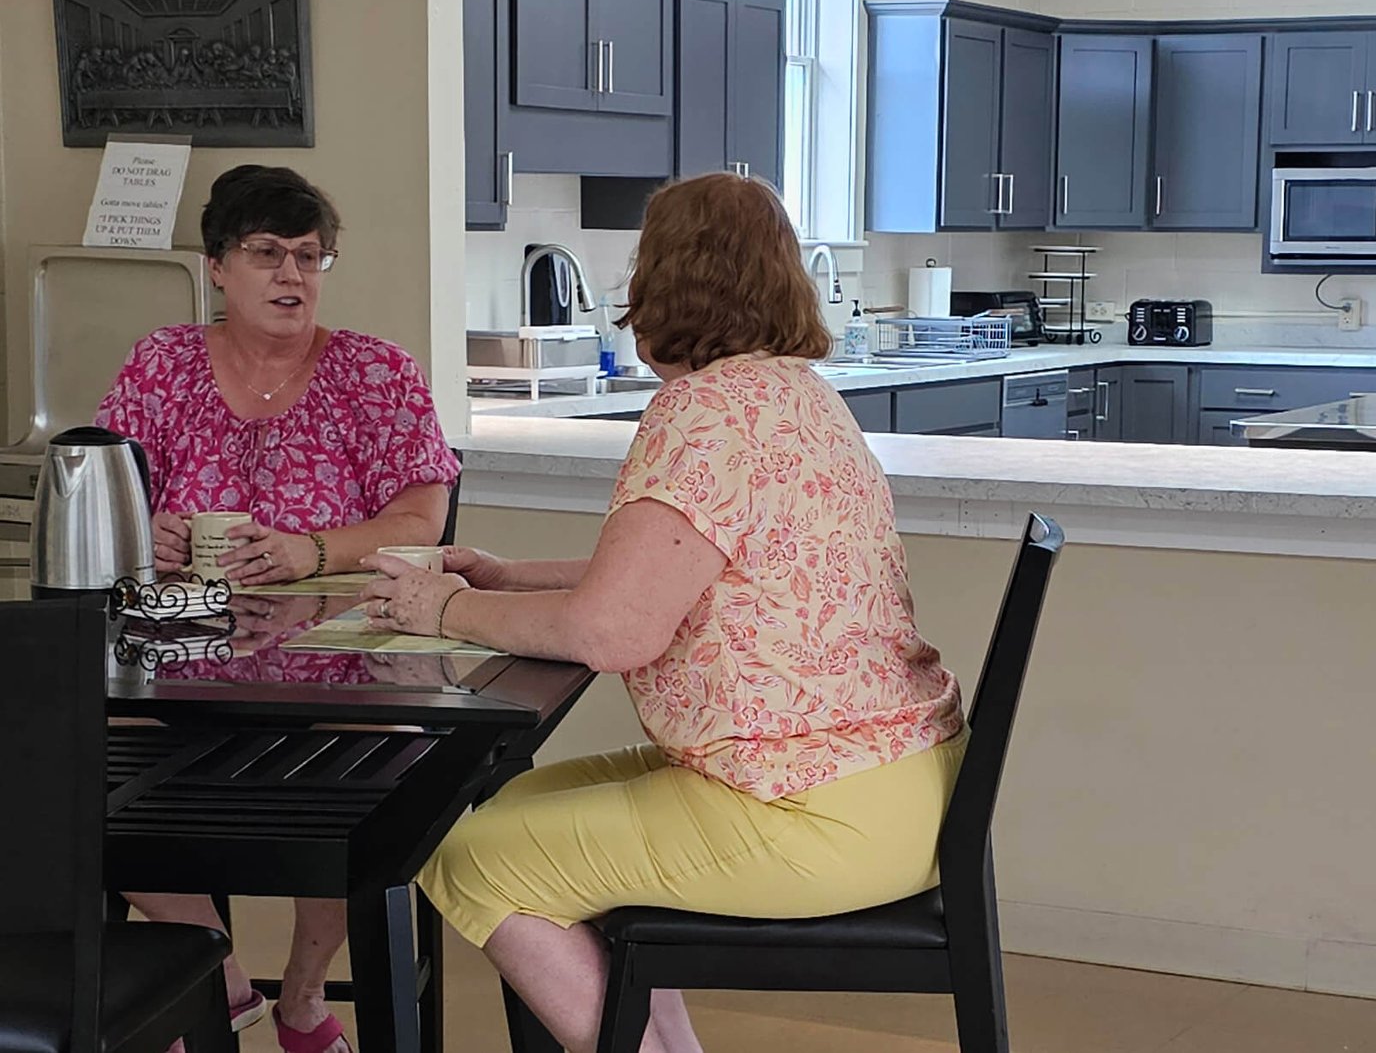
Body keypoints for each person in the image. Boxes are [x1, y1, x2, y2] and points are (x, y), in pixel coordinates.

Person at [361, 173, 966, 1053]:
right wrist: (507, 578)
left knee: (469, 856)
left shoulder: (703, 414)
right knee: (487, 805)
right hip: (892, 782)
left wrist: (447, 610)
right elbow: (687, 573)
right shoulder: (798, 398)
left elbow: (613, 632)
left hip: (803, 804)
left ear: (664, 282)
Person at [97, 164, 460, 1053]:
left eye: (310, 255)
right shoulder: (162, 362)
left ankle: (300, 999)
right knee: (56, 768)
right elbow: (112, 499)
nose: (293, 274)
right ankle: (214, 969)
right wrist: (156, 534)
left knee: (372, 786)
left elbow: (423, 518)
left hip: (341, 649)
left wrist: (314, 549)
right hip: (179, 647)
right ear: (217, 265)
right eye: (268, 253)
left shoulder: (375, 373)